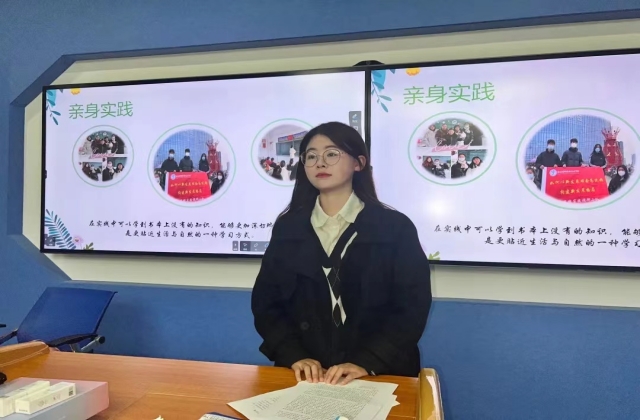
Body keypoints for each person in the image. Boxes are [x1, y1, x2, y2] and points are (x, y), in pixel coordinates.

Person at [251, 121, 431, 386]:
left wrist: (367, 361)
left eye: (332, 154)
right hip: (308, 377)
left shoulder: (394, 227)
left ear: (358, 163)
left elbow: (412, 307)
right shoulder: (289, 227)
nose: (320, 163)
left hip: (379, 373)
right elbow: (266, 304)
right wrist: (294, 355)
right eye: (311, 156)